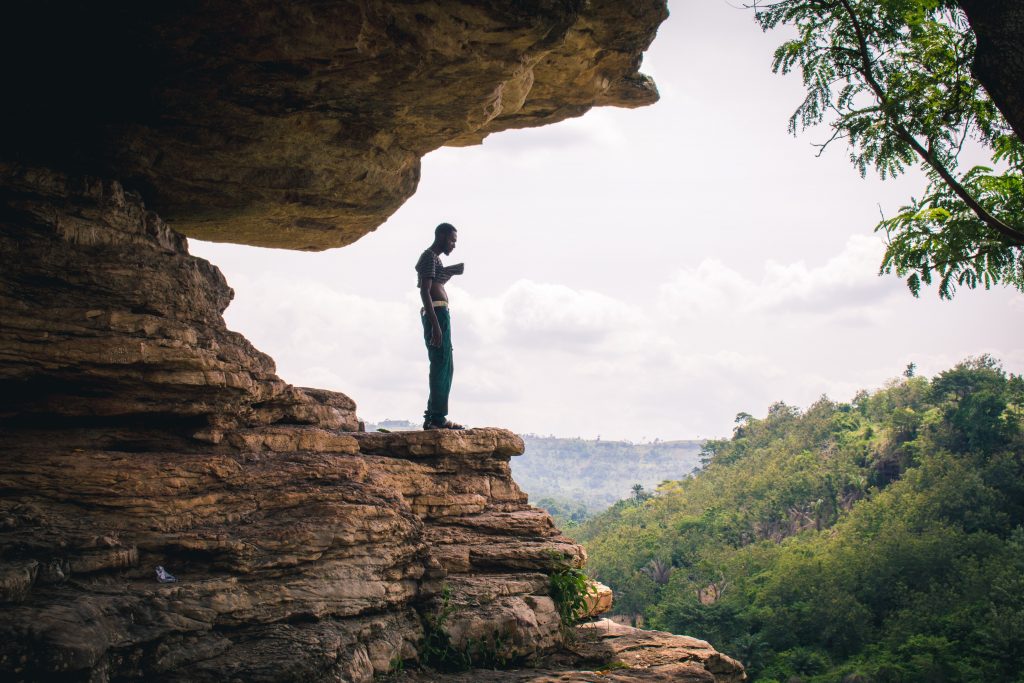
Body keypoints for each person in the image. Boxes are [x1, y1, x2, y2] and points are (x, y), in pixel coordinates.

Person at [415, 222, 465, 430]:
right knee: (440, 364)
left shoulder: (435, 260)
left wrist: (450, 272)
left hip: (441, 313)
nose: (454, 245)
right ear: (442, 236)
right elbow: (425, 291)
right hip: (436, 314)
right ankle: (437, 418)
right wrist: (435, 325)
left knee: (445, 365)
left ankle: (434, 415)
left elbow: (435, 284)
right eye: (452, 240)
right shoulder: (428, 256)